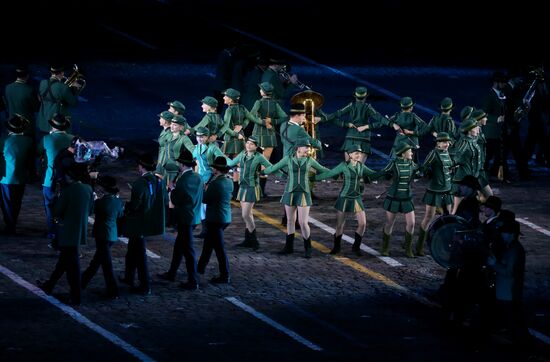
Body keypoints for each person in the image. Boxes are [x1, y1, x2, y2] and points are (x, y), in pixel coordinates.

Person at [37, 163, 94, 305]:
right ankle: (49, 285)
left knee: (72, 267)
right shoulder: (88, 189)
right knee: (63, 262)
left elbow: (56, 212)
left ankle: (76, 296)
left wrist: (55, 204)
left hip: (67, 230)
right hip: (79, 230)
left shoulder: (68, 191)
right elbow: (91, 209)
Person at [263, 139, 329, 258]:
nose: (308, 149)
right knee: (290, 220)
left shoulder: (310, 160)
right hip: (290, 192)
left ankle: (307, 248)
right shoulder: (288, 159)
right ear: (298, 147)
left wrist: (338, 173)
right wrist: (261, 171)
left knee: (303, 222)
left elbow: (323, 170)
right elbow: (274, 168)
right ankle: (289, 247)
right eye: (306, 147)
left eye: (309, 147)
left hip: (303, 193)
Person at [315, 145, 376, 255]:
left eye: (360, 153)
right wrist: (313, 178)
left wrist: (389, 173)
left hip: (356, 198)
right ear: (350, 155)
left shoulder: (361, 166)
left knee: (363, 224)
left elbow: (374, 174)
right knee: (340, 225)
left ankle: (356, 247)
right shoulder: (343, 166)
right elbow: (329, 173)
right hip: (344, 198)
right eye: (356, 153)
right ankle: (336, 247)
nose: (359, 155)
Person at [121, 154, 167, 295]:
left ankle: (144, 285)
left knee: (139, 254)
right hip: (151, 219)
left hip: (139, 222)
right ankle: (129, 276)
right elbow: (163, 199)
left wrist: (126, 207)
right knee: (132, 250)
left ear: (141, 167)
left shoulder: (140, 183)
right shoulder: (159, 181)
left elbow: (136, 205)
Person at [158, 149, 203, 290]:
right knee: (179, 247)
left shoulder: (183, 179)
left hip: (185, 217)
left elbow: (178, 199)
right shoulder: (198, 177)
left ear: (182, 165)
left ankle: (193, 280)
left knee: (188, 250)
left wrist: (172, 189)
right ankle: (172, 273)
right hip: (194, 215)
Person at [81, 175, 124, 299]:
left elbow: (89, 211)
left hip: (102, 235)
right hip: (112, 235)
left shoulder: (100, 202)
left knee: (106, 265)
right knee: (97, 261)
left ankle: (113, 291)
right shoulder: (118, 202)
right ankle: (82, 282)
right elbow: (120, 215)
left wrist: (92, 199)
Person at [227, 136, 273, 250]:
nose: (248, 145)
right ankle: (248, 240)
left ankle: (254, 241)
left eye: (252, 144)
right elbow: (231, 162)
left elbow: (270, 167)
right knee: (248, 215)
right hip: (242, 186)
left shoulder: (259, 157)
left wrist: (261, 172)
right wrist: (219, 155)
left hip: (252, 187)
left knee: (245, 215)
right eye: (247, 143)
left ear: (256, 147)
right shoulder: (242, 155)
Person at [486, 220, 528, 344]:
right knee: (512, 318)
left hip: (508, 292)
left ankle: (520, 343)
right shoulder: (511, 248)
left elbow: (509, 272)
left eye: (504, 233)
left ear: (512, 234)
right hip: (506, 291)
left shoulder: (514, 251)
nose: (502, 235)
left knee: (513, 319)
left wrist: (494, 264)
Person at [376, 142, 420, 257]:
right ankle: (385, 248)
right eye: (409, 151)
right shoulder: (393, 164)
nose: (411, 152)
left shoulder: (412, 164)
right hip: (394, 197)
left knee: (411, 223)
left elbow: (420, 173)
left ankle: (408, 249)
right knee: (390, 223)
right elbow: (383, 173)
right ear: (403, 153)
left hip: (407, 197)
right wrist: (369, 176)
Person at [197, 156, 234, 284]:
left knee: (219, 248)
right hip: (225, 217)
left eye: (214, 168)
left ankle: (225, 274)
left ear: (217, 170)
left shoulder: (216, 183)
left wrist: (204, 189)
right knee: (208, 243)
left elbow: (205, 199)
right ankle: (200, 267)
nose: (212, 169)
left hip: (215, 218)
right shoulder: (229, 181)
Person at [37, 114, 74, 239]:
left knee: (50, 206)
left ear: (52, 126)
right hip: (68, 179)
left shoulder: (47, 139)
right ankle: (64, 230)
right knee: (67, 207)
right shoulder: (73, 138)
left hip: (50, 179)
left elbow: (38, 152)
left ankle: (52, 231)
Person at [417, 132, 454, 256]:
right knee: (429, 217)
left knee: (448, 217)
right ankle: (419, 247)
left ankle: (445, 245)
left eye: (447, 142)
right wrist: (429, 174)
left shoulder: (447, 152)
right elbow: (424, 167)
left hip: (447, 190)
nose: (446, 144)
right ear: (437, 143)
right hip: (435, 191)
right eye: (444, 142)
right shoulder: (434, 153)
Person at [330, 86, 388, 163]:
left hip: (350, 138)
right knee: (359, 169)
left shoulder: (351, 106)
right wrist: (367, 126)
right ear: (365, 97)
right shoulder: (368, 107)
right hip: (363, 139)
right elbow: (381, 120)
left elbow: (335, 115)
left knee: (348, 167)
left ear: (355, 96)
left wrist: (346, 124)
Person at [249, 82, 288, 197]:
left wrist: (261, 121)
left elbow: (251, 115)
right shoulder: (275, 103)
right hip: (270, 134)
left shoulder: (258, 102)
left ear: (262, 92)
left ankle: (254, 189)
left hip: (257, 133)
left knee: (253, 161)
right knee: (265, 163)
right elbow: (285, 117)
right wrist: (272, 121)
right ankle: (261, 191)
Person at [220, 88, 260, 198]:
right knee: (239, 165)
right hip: (241, 137)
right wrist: (242, 126)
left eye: (226, 96)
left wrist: (233, 133)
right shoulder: (242, 108)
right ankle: (237, 192)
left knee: (222, 162)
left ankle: (223, 189)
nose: (224, 97)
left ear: (231, 99)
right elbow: (251, 118)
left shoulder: (229, 110)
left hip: (231, 137)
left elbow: (226, 127)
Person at [0, 115, 33, 235]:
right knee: (17, 201)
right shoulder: (28, 141)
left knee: (6, 203)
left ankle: (10, 225)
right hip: (21, 177)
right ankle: (12, 221)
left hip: (6, 178)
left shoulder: (4, 140)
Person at [450, 118, 483, 214]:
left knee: (473, 209)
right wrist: (451, 165)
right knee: (457, 211)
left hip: (472, 180)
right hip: (463, 181)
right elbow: (456, 156)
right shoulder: (464, 143)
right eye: (476, 128)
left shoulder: (472, 140)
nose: (478, 129)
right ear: (469, 130)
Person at [37, 65, 79, 134]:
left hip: (43, 122)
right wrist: (74, 89)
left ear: (51, 72)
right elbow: (74, 103)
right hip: (58, 124)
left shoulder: (42, 83)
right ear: (62, 73)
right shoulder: (63, 87)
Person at [386, 97, 428, 163]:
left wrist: (393, 125)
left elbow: (386, 121)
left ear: (401, 107)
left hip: (399, 143)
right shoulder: (413, 116)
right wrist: (411, 132)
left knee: (397, 164)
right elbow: (425, 127)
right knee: (411, 165)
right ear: (411, 107)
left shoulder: (397, 115)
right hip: (411, 144)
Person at [4, 64, 39, 136]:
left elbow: (7, 104)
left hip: (12, 124)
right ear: (27, 75)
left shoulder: (7, 87)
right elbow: (36, 108)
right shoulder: (30, 90)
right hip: (26, 126)